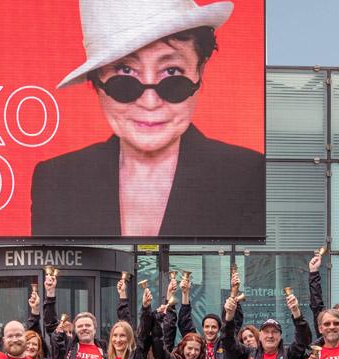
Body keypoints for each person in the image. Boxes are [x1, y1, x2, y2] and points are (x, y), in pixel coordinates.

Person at [31, 0, 264, 237]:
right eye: (125, 72)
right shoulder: (56, 180)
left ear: (198, 74)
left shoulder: (250, 176)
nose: (150, 102)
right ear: (97, 82)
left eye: (172, 72)